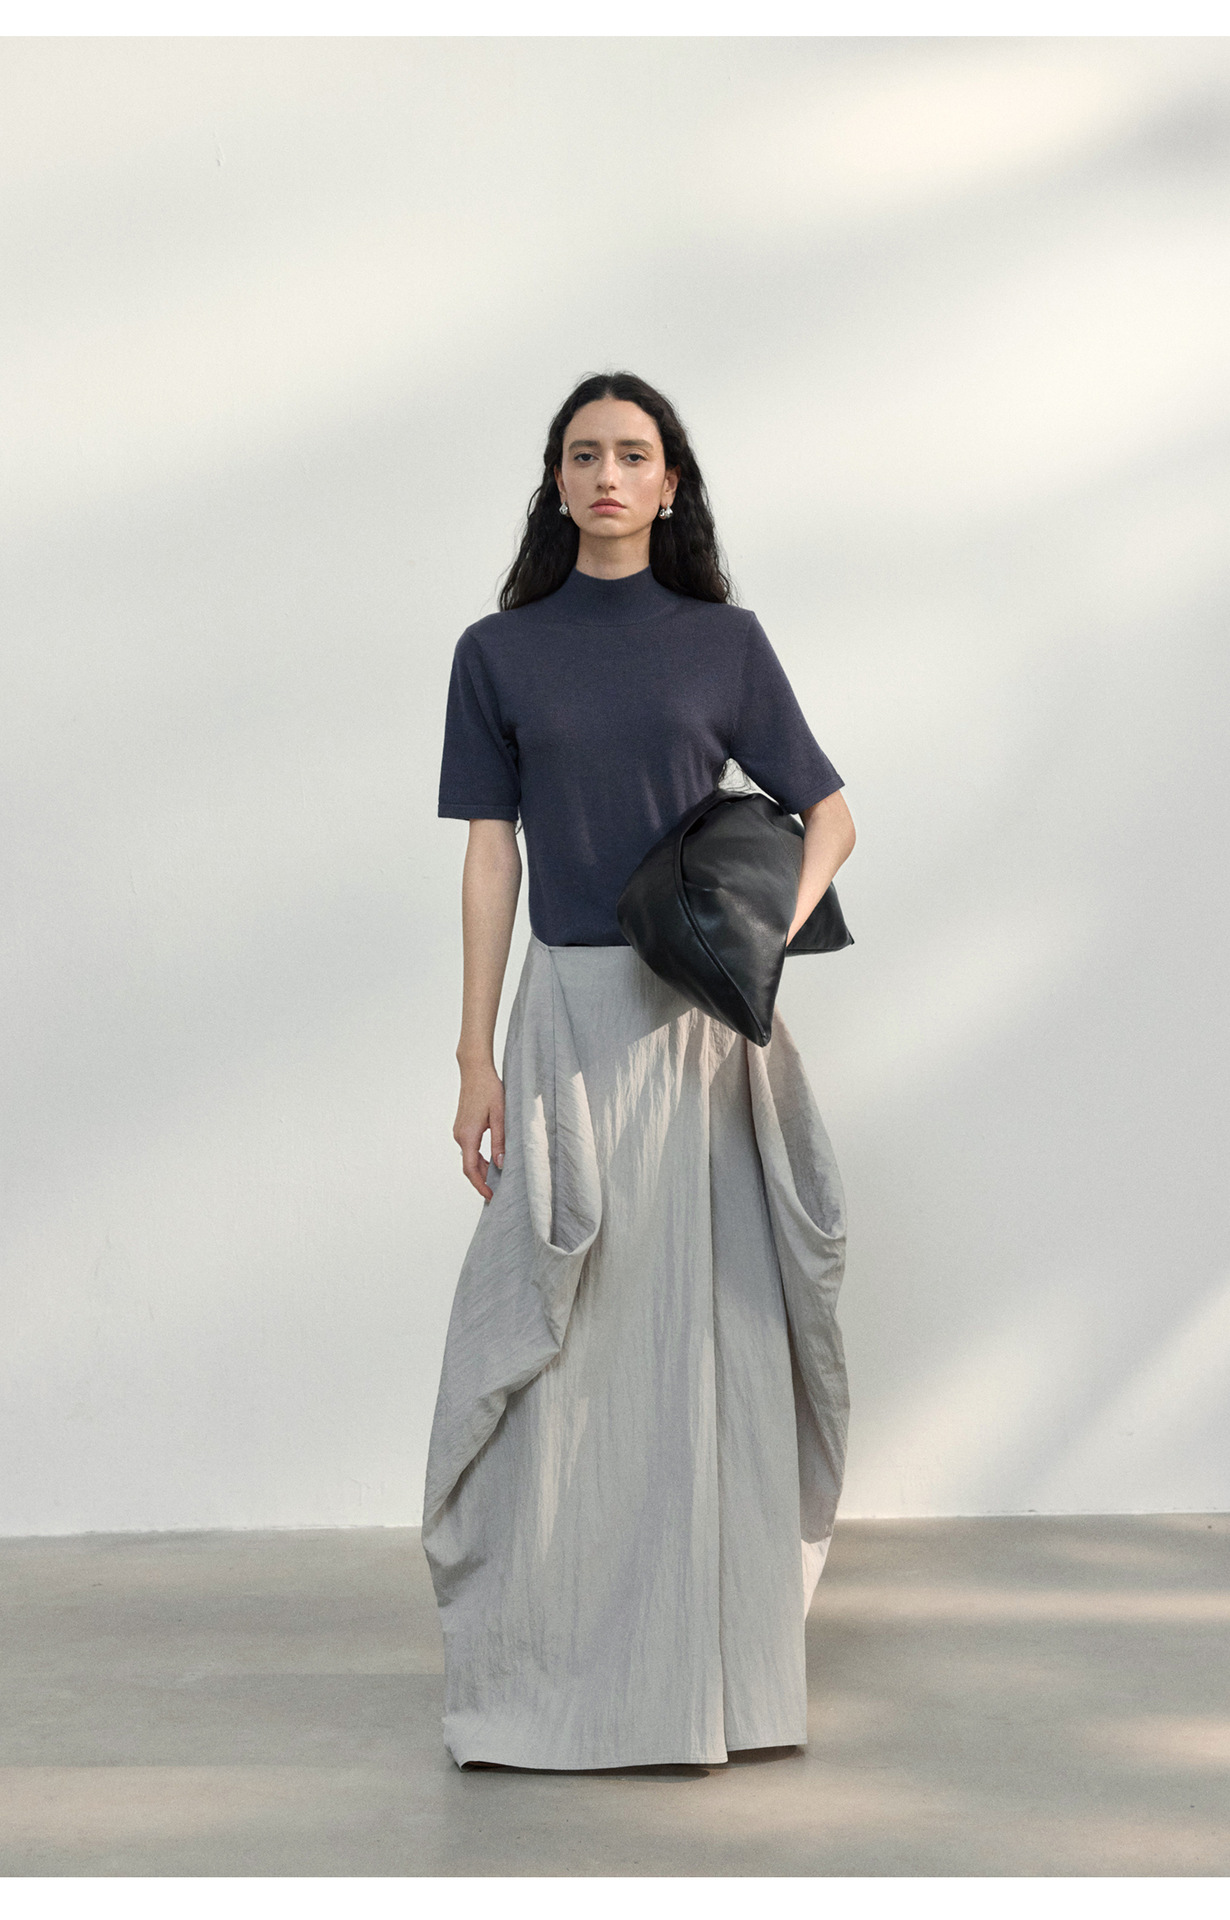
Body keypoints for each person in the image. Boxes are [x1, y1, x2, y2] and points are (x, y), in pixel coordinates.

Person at [422, 371, 856, 1777]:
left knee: (703, 1343)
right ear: (556, 483)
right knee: (563, 1347)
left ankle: (711, 1682)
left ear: (670, 485)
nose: (607, 474)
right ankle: (555, 1670)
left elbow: (829, 814)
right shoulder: (498, 653)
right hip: (566, 1019)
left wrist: (757, 935)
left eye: (632, 454)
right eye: (583, 455)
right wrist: (474, 1055)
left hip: (699, 1032)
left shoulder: (724, 643)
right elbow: (491, 859)